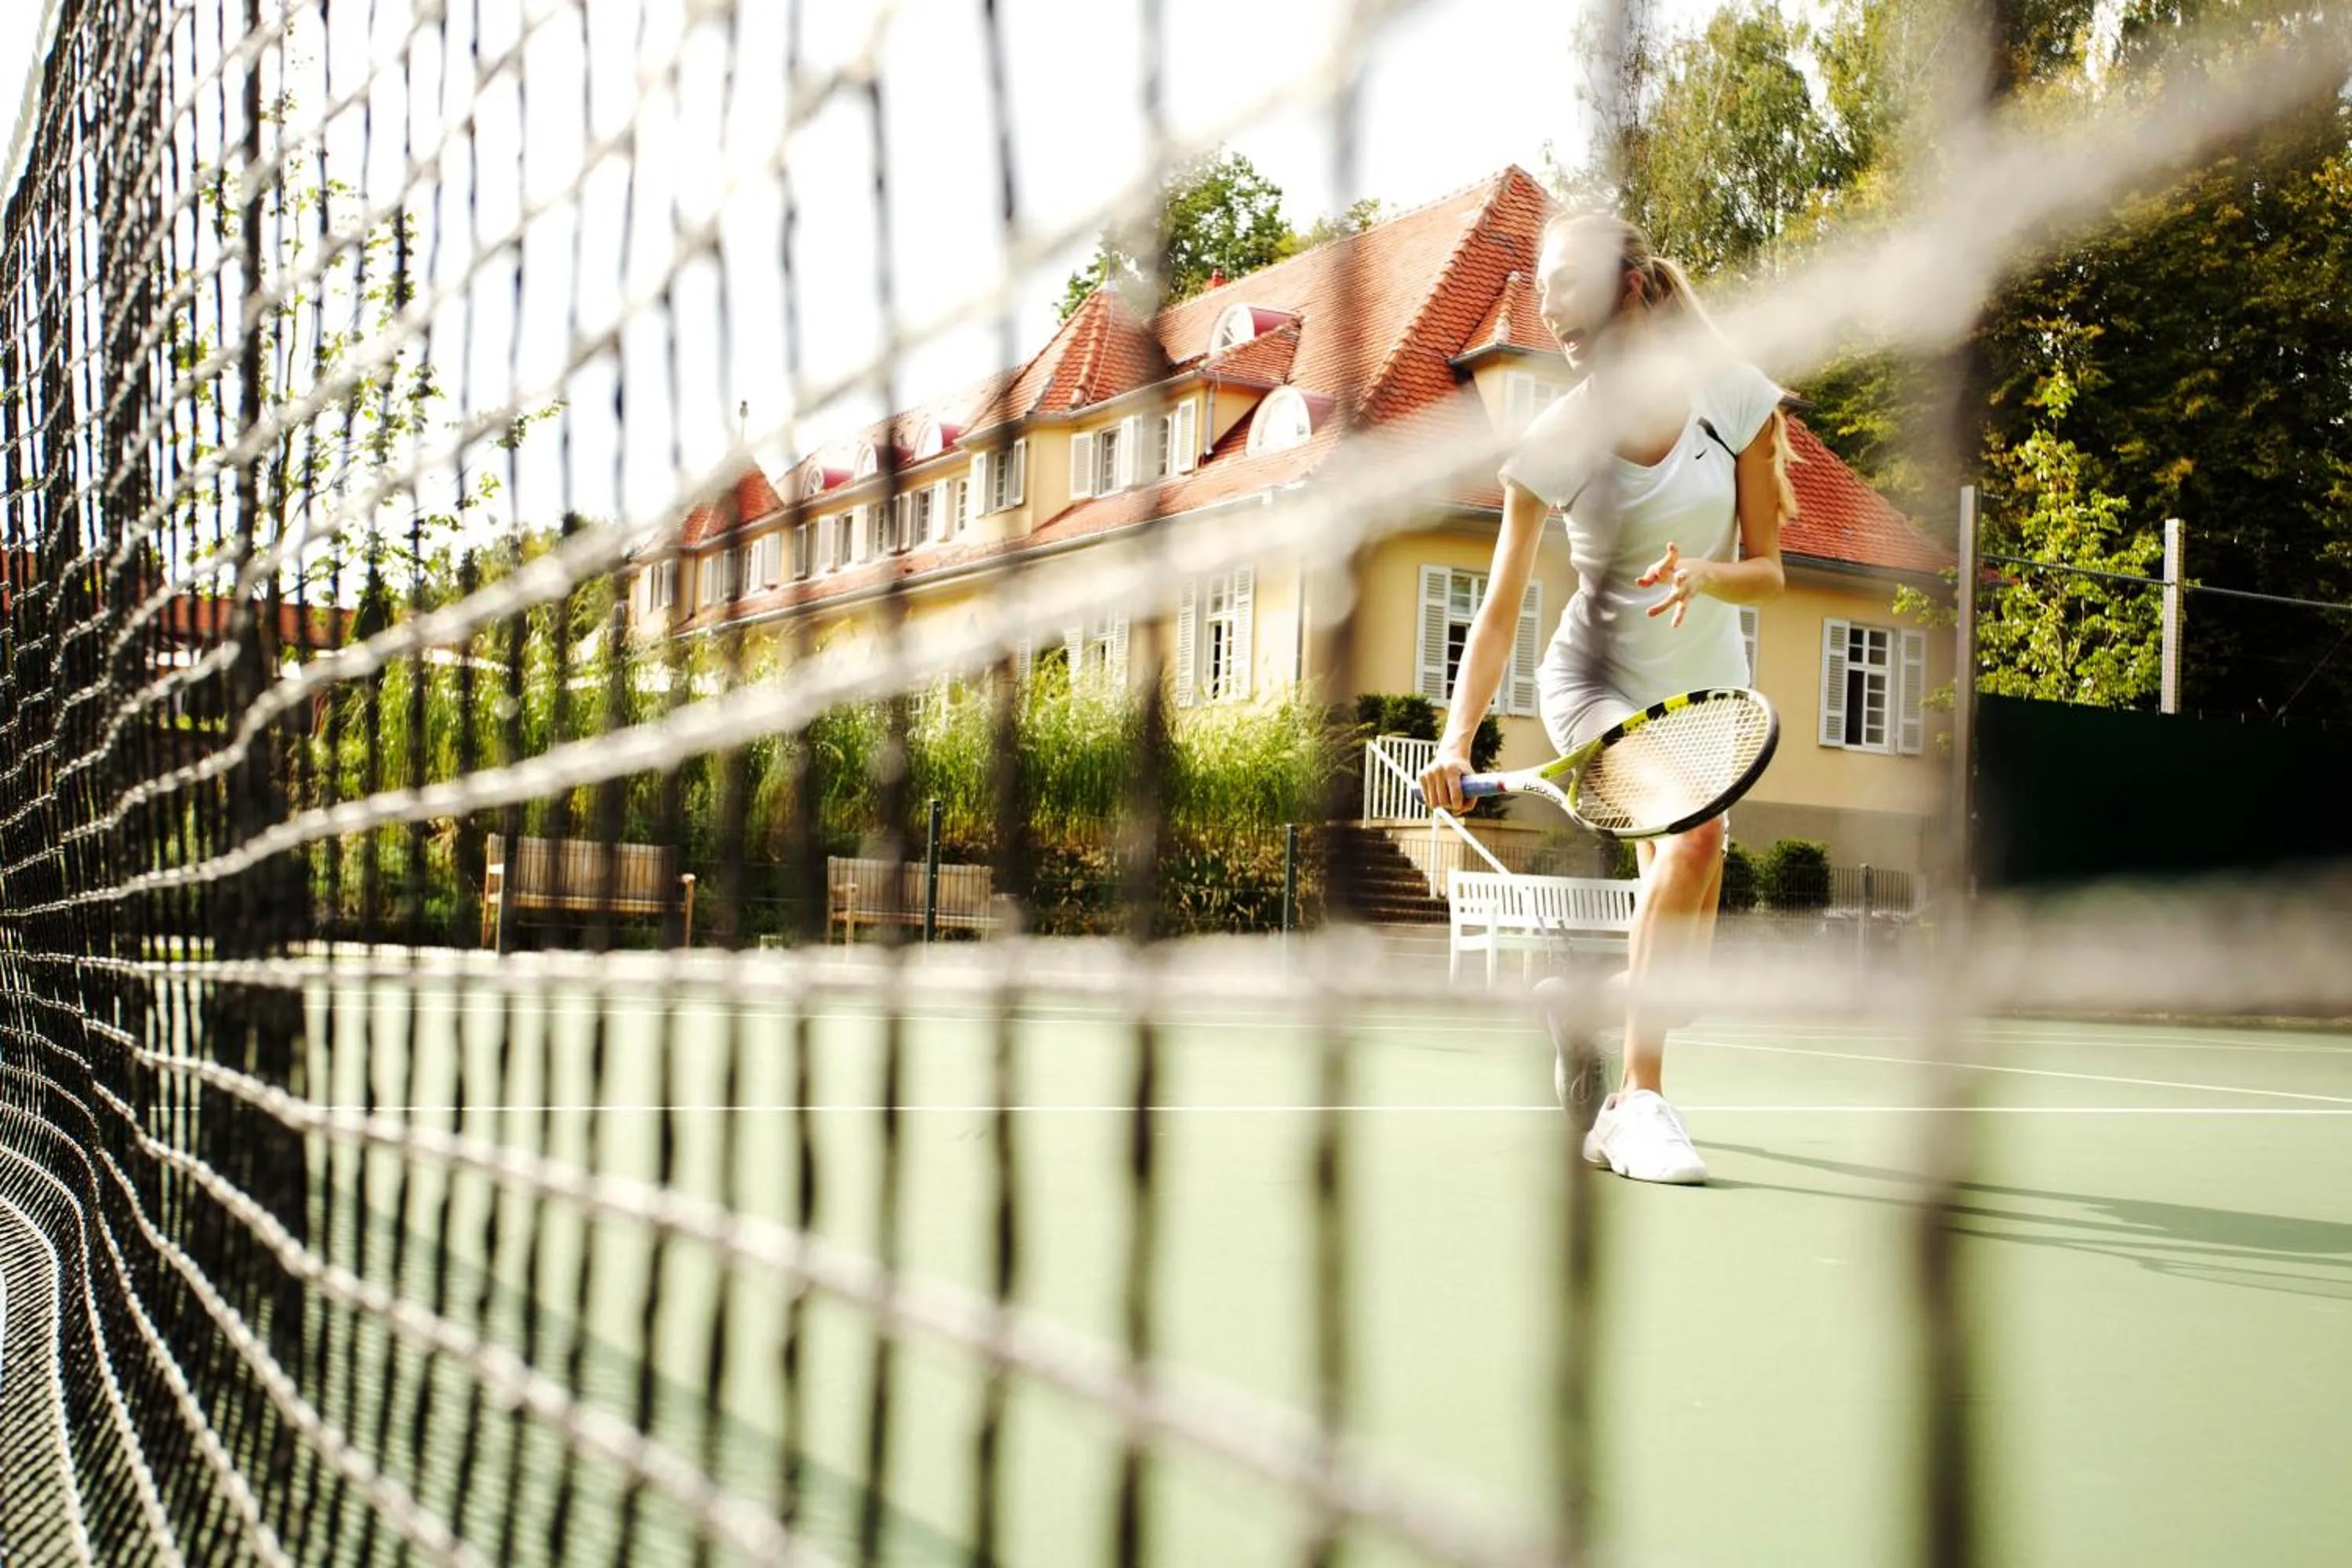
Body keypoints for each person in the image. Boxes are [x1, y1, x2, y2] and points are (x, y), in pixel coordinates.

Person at [1417, 213, 1795, 1185]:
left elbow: (1771, 570)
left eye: (1568, 281)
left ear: (1630, 284)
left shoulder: (1736, 401)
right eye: (1544, 290)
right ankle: (1635, 1105)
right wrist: (1458, 737)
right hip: (1596, 684)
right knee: (1695, 839)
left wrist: (1710, 575)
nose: (1550, 303)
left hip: (1712, 694)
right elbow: (1500, 609)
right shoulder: (1556, 438)